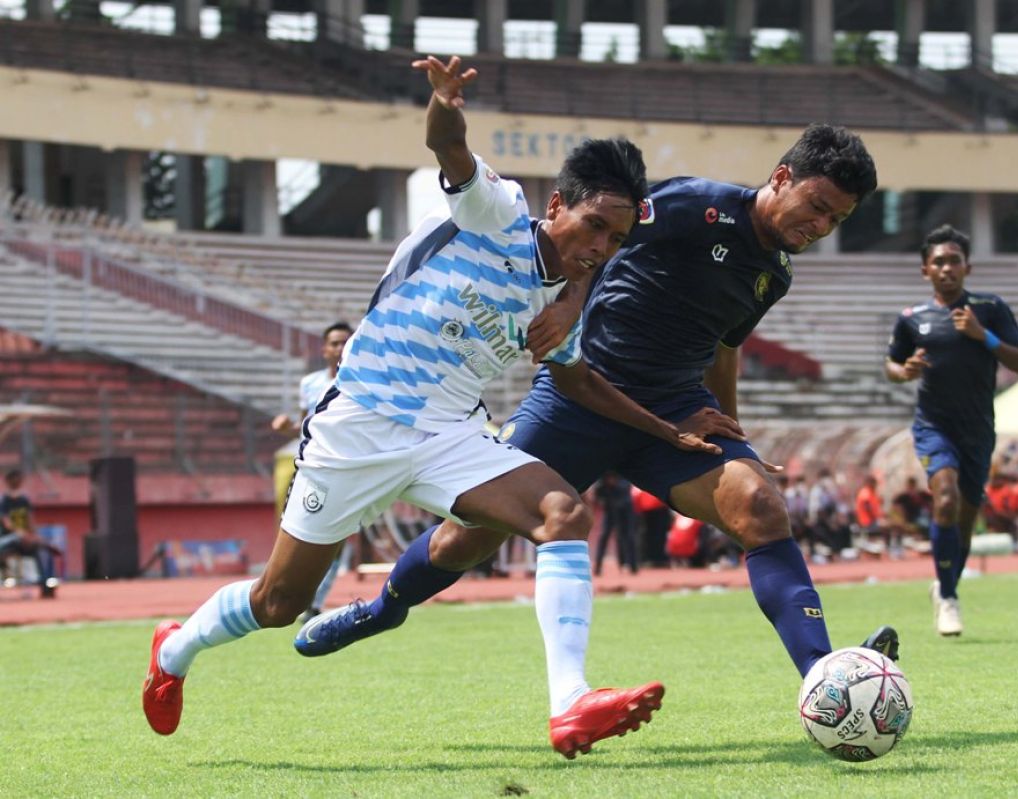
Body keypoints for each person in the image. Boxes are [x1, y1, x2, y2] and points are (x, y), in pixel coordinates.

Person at [142, 55, 723, 758]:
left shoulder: (556, 300)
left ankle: (570, 702)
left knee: (563, 511)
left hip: (449, 435)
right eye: (593, 225)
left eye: (614, 240)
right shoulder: (497, 213)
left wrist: (669, 430)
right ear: (558, 206)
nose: (598, 247)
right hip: (358, 425)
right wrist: (446, 102)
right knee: (278, 602)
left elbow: (578, 382)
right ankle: (174, 649)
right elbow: (448, 149)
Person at [299, 123, 900, 697]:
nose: (820, 224)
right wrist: (568, 303)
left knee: (762, 509)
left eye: (836, 219)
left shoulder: (776, 274)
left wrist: (729, 426)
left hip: (674, 415)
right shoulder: (696, 206)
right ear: (781, 176)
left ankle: (825, 675)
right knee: (466, 540)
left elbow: (724, 348)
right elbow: (598, 243)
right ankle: (383, 609)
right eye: (817, 205)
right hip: (578, 397)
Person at [886, 224, 1018, 637]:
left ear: (967, 266)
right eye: (938, 262)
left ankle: (945, 586)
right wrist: (904, 371)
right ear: (924, 270)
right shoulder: (912, 319)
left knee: (965, 520)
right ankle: (949, 600)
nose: (946, 268)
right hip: (933, 424)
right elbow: (892, 365)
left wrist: (982, 336)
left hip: (979, 429)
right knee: (944, 501)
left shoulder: (990, 308)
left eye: (954, 260)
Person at [271, 321, 353, 622]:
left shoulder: (362, 381)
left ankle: (313, 602)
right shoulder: (311, 383)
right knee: (296, 528)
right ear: (324, 349)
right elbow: (307, 425)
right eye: (334, 343)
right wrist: (287, 427)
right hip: (310, 465)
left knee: (337, 535)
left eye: (346, 342)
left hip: (346, 466)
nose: (340, 348)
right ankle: (284, 593)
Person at [0, 469, 59, 598]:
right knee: (22, 539)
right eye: (15, 478)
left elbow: (31, 522)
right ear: (8, 481)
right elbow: (7, 524)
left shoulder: (24, 500)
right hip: (7, 541)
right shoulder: (3, 501)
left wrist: (35, 535)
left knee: (41, 551)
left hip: (25, 541)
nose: (18, 481)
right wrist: (22, 534)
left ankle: (46, 585)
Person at [591, 472, 637, 575]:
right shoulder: (602, 482)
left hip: (625, 510)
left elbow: (626, 491)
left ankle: (632, 566)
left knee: (627, 537)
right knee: (604, 536)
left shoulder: (623, 481)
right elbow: (598, 495)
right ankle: (598, 567)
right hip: (610, 509)